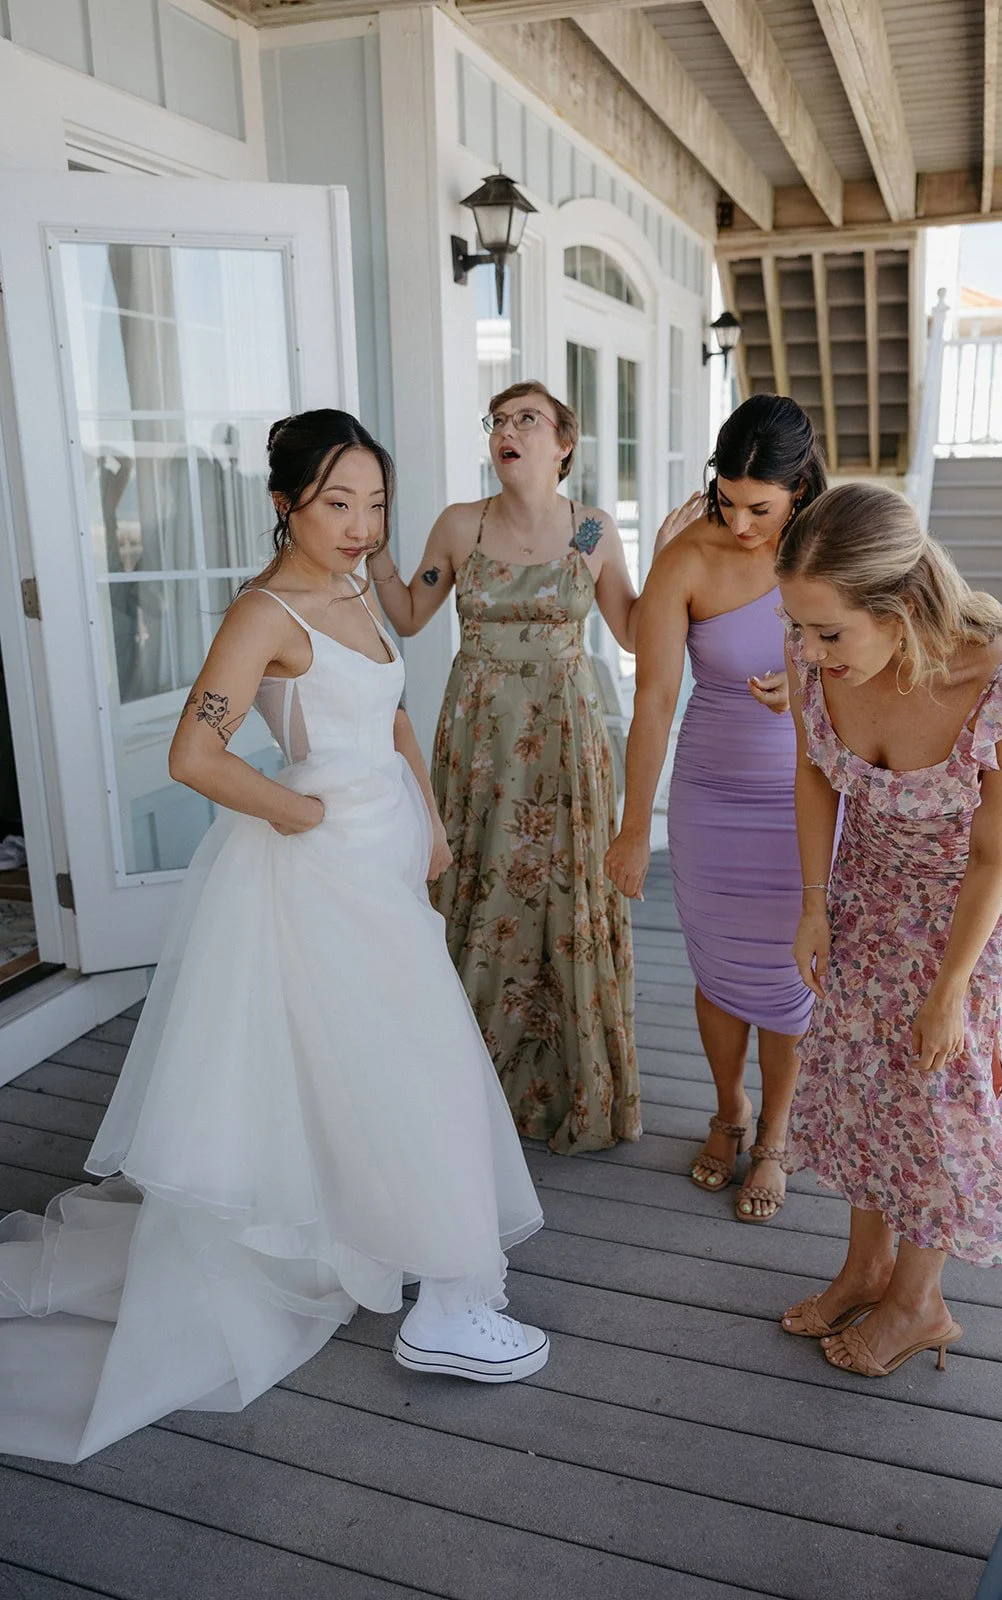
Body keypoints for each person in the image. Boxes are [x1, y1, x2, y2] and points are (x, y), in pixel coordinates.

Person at [0, 410, 548, 1465]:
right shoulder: (266, 611)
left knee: (378, 1069)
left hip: (385, 857)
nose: (360, 525)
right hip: (321, 870)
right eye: (337, 502)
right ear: (283, 503)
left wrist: (427, 816)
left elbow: (389, 716)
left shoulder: (353, 590)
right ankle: (444, 1304)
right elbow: (193, 755)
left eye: (375, 503)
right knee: (418, 1065)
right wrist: (299, 813)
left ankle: (399, 1259)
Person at [776, 482, 1002, 1376]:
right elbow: (816, 775)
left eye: (830, 634)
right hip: (870, 887)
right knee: (864, 1073)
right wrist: (815, 903)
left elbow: (992, 859)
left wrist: (948, 994)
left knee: (935, 1099)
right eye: (799, 628)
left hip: (968, 917)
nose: (809, 652)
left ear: (899, 609)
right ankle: (864, 1266)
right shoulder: (817, 657)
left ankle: (918, 1302)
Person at [366, 381, 679, 1154]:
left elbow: (636, 632)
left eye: (525, 419)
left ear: (562, 443)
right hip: (478, 743)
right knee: (478, 883)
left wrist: (670, 559)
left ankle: (566, 1086)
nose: (507, 430)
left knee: (561, 894)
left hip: (566, 744)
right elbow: (408, 615)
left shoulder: (590, 531)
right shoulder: (459, 526)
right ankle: (464, 1084)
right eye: (498, 420)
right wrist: (368, 541)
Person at [605, 395, 827, 1222]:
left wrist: (810, 688)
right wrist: (634, 829)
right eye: (726, 500)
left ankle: (775, 1134)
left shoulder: (834, 548)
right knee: (719, 968)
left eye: (758, 508)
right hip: (708, 793)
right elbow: (655, 698)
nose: (737, 521)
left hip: (799, 796)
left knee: (788, 979)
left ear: (799, 488)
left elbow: (886, 665)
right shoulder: (686, 556)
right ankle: (727, 1110)